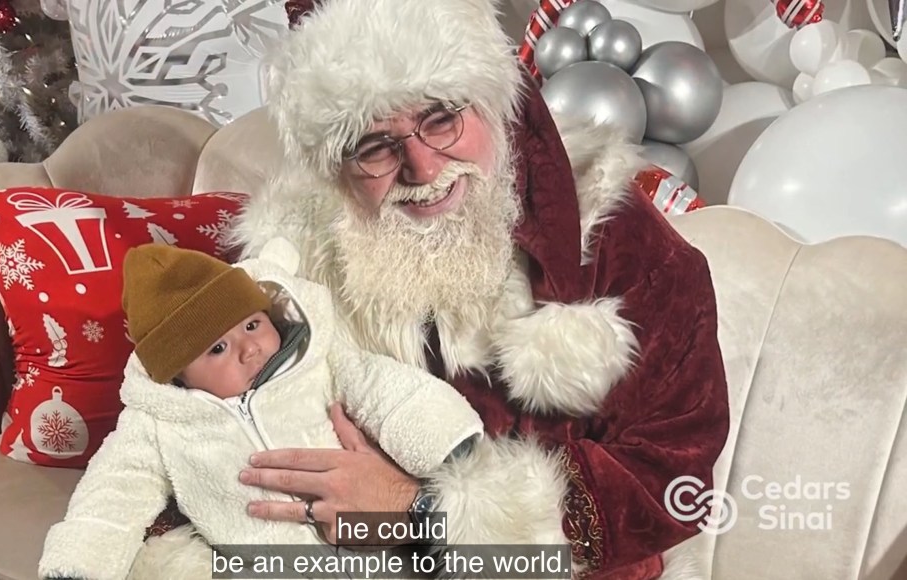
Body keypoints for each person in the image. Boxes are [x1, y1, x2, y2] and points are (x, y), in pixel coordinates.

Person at [131, 0, 731, 578]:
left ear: (492, 102)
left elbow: (671, 481)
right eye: (375, 146)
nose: (424, 169)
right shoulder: (290, 256)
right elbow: (202, 420)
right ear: (335, 168)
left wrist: (419, 515)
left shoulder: (615, 237)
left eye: (441, 118)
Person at [38, 240, 485, 580]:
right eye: (217, 348)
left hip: (377, 552)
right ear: (179, 375)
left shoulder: (317, 360)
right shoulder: (157, 420)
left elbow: (385, 388)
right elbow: (113, 492)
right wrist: (80, 565)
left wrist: (444, 437)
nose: (250, 349)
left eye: (252, 324)